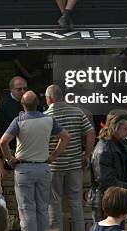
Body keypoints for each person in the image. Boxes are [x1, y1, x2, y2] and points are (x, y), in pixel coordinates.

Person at [0, 91, 70, 231]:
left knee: (26, 209)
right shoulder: (49, 119)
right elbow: (66, 137)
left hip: (24, 168)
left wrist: (10, 159)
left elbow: (3, 142)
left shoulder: (19, 121)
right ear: (38, 103)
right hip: (43, 167)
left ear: (22, 104)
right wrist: (53, 156)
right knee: (43, 208)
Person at [44, 84, 95, 231]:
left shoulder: (46, 116)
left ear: (49, 99)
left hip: (54, 166)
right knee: (76, 202)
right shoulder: (77, 112)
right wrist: (87, 154)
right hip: (74, 164)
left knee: (54, 203)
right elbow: (91, 133)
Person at [89, 109, 127, 222]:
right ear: (115, 127)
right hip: (105, 204)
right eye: (126, 129)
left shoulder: (118, 144)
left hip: (114, 201)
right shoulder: (103, 150)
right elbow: (106, 181)